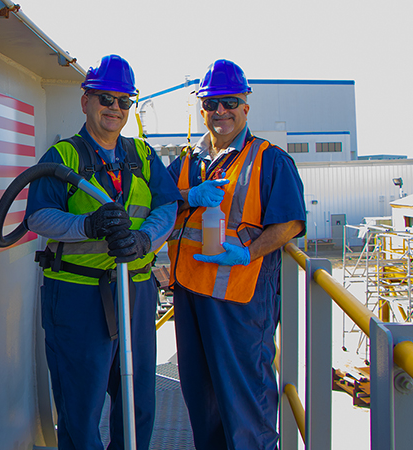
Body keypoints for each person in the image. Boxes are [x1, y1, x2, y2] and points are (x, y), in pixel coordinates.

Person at [24, 54, 182, 449]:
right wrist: (86, 226)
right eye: (105, 99)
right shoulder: (63, 158)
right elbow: (37, 217)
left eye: (123, 101)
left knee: (138, 403)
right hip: (78, 297)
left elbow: (168, 205)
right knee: (80, 409)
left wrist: (145, 240)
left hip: (136, 291)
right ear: (86, 102)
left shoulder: (143, 156)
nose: (114, 108)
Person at [166, 59, 306, 450]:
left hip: (240, 302)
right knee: (201, 398)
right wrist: (184, 196)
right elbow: (161, 205)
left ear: (245, 106)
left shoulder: (269, 159)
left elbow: (290, 222)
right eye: (211, 104)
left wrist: (247, 253)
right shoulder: (188, 162)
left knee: (245, 403)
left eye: (228, 102)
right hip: (191, 298)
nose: (220, 112)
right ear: (202, 109)